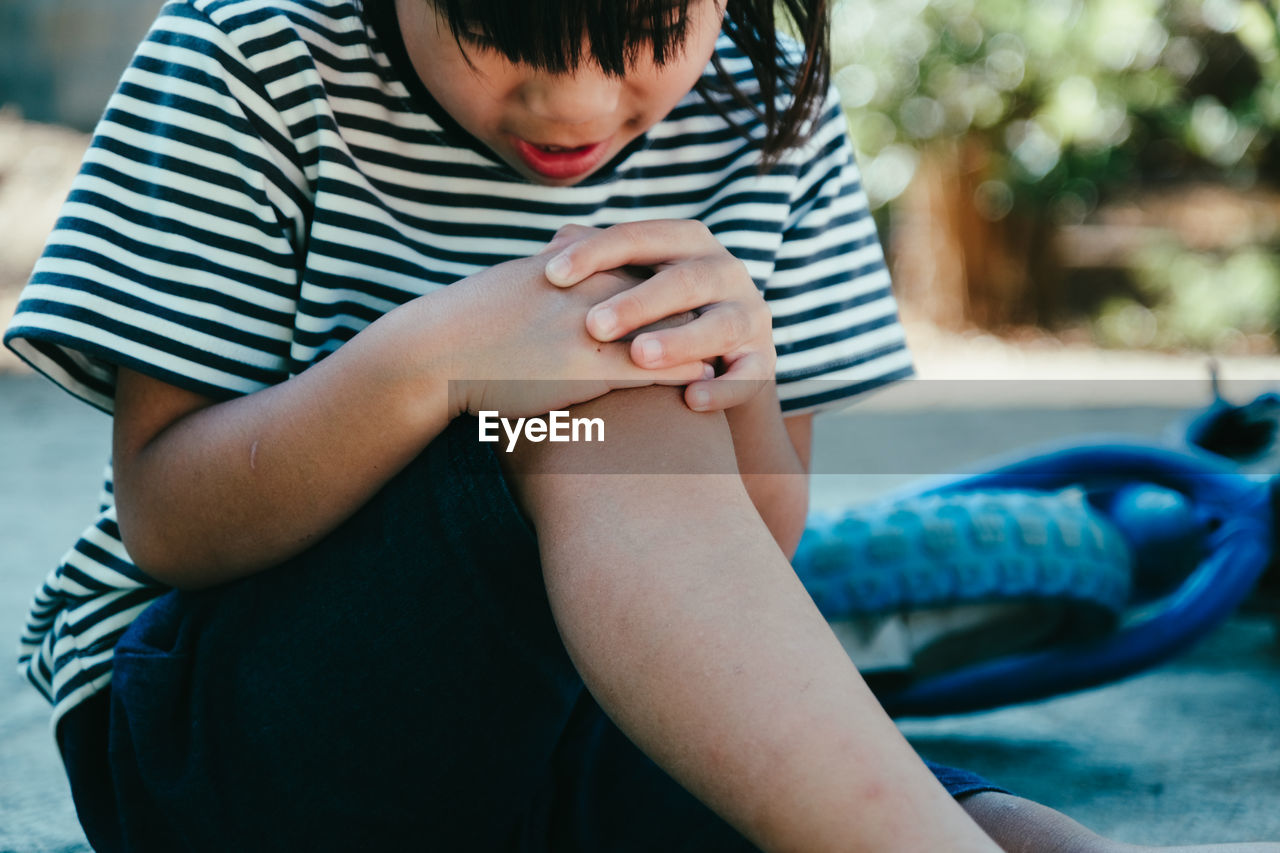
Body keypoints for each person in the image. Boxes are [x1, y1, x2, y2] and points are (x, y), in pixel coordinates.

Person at [4, 0, 1277, 850]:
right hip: (220, 731)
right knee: (595, 401)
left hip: (573, 720)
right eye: (504, 35)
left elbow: (747, 560)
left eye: (646, 37)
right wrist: (434, 364)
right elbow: (169, 517)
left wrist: (742, 372)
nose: (575, 106)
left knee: (1008, 828)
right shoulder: (249, 56)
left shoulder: (765, 101)